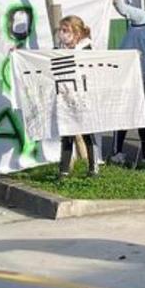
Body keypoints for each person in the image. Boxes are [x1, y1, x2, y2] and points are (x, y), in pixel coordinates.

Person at [106, 0, 145, 170]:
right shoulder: (144, 18)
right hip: (127, 75)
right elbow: (124, 9)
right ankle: (116, 152)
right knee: (123, 114)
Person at [56, 15, 99, 178]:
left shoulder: (86, 49)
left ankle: (93, 168)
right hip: (66, 98)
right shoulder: (60, 49)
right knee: (67, 134)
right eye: (61, 30)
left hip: (83, 98)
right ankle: (64, 170)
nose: (62, 33)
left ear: (77, 33)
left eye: (65, 30)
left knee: (87, 133)